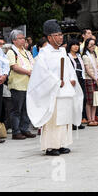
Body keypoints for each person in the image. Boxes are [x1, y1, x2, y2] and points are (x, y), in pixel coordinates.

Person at [26, 20, 83, 156]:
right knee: (54, 119)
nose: (60, 37)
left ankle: (62, 143)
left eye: (61, 34)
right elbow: (42, 73)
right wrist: (56, 81)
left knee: (65, 118)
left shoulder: (63, 51)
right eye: (57, 35)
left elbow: (69, 68)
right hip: (53, 91)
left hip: (66, 90)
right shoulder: (44, 53)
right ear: (50, 37)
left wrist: (72, 78)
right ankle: (51, 146)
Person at [7, 29, 36, 140]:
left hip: (29, 84)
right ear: (14, 40)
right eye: (20, 38)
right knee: (17, 109)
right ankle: (16, 131)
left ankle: (25, 129)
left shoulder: (27, 52)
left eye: (23, 38)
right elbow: (14, 66)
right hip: (18, 84)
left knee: (26, 108)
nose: (23, 40)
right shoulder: (11, 52)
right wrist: (28, 72)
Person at [82, 38, 98, 126]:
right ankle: (89, 119)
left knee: (95, 99)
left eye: (93, 44)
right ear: (86, 46)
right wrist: (95, 78)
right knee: (89, 100)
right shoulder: (85, 56)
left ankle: (93, 117)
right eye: (90, 45)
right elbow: (87, 69)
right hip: (89, 79)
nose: (92, 46)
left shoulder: (95, 54)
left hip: (97, 78)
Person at [66, 39, 87, 130]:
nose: (76, 46)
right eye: (73, 45)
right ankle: (71, 122)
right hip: (72, 81)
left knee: (81, 100)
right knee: (72, 101)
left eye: (77, 45)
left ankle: (78, 121)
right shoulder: (67, 56)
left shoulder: (79, 56)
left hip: (81, 79)